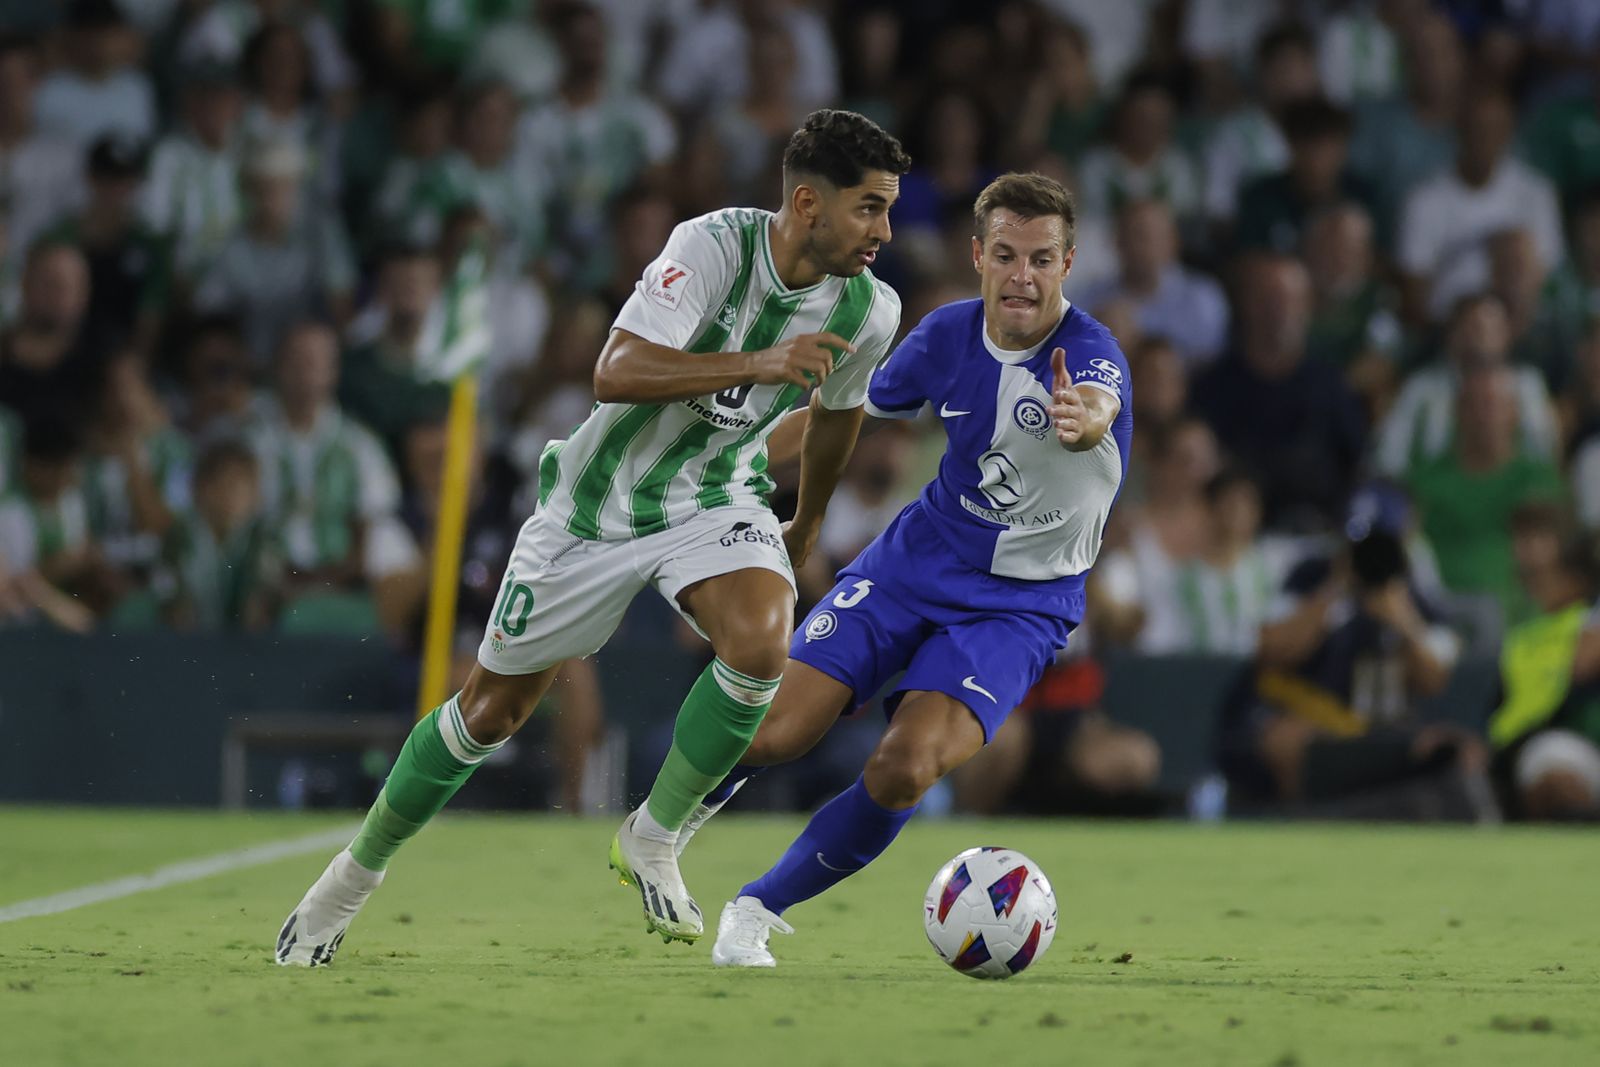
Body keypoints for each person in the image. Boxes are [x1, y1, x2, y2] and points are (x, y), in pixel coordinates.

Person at [274, 109, 911, 965]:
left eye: (887, 208)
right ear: (807, 204)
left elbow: (836, 417)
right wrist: (757, 363)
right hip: (594, 506)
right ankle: (349, 879)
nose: (884, 230)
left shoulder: (870, 306)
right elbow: (616, 369)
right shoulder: (712, 246)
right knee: (489, 713)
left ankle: (654, 833)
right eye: (869, 207)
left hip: (713, 496)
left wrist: (809, 520)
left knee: (763, 645)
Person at [680, 172, 1133, 969]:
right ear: (978, 256)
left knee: (903, 767)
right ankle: (660, 830)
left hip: (1018, 608)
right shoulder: (944, 335)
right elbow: (840, 415)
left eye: (1041, 259)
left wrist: (1083, 419)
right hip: (913, 562)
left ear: (1068, 264)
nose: (1022, 276)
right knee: (771, 728)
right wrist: (725, 461)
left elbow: (1098, 405)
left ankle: (755, 908)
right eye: (1006, 255)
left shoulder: (1090, 355)